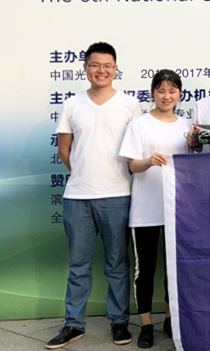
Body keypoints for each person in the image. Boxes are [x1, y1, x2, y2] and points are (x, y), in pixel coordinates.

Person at [47, 42, 142, 349]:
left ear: (116, 69)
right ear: (86, 68)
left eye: (108, 65)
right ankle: (74, 324)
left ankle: (119, 322)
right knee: (79, 266)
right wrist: (84, 173)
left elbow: (136, 149)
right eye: (95, 65)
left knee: (117, 264)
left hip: (117, 195)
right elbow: (65, 149)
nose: (101, 70)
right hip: (78, 197)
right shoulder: (72, 104)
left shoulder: (130, 105)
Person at [118, 70, 190, 348]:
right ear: (153, 93)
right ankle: (146, 323)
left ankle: (171, 317)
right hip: (145, 209)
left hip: (177, 210)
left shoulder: (187, 126)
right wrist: (148, 161)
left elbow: (193, 163)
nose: (166, 96)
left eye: (172, 91)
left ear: (179, 94)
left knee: (174, 267)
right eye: (161, 91)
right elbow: (132, 166)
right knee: (144, 269)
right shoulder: (139, 125)